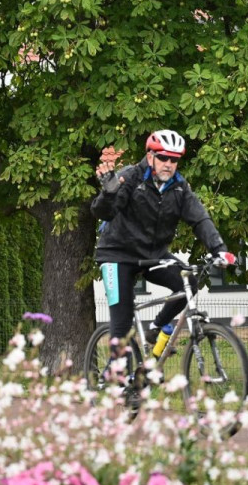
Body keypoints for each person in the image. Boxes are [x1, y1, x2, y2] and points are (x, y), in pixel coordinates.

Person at [92, 130, 235, 357]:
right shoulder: (130, 178)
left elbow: (199, 218)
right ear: (150, 157)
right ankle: (119, 383)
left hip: (153, 255)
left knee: (188, 284)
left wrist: (220, 250)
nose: (168, 164)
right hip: (117, 256)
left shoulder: (179, 187)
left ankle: (156, 328)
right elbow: (104, 213)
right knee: (122, 326)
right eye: (163, 158)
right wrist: (108, 194)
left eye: (174, 159)